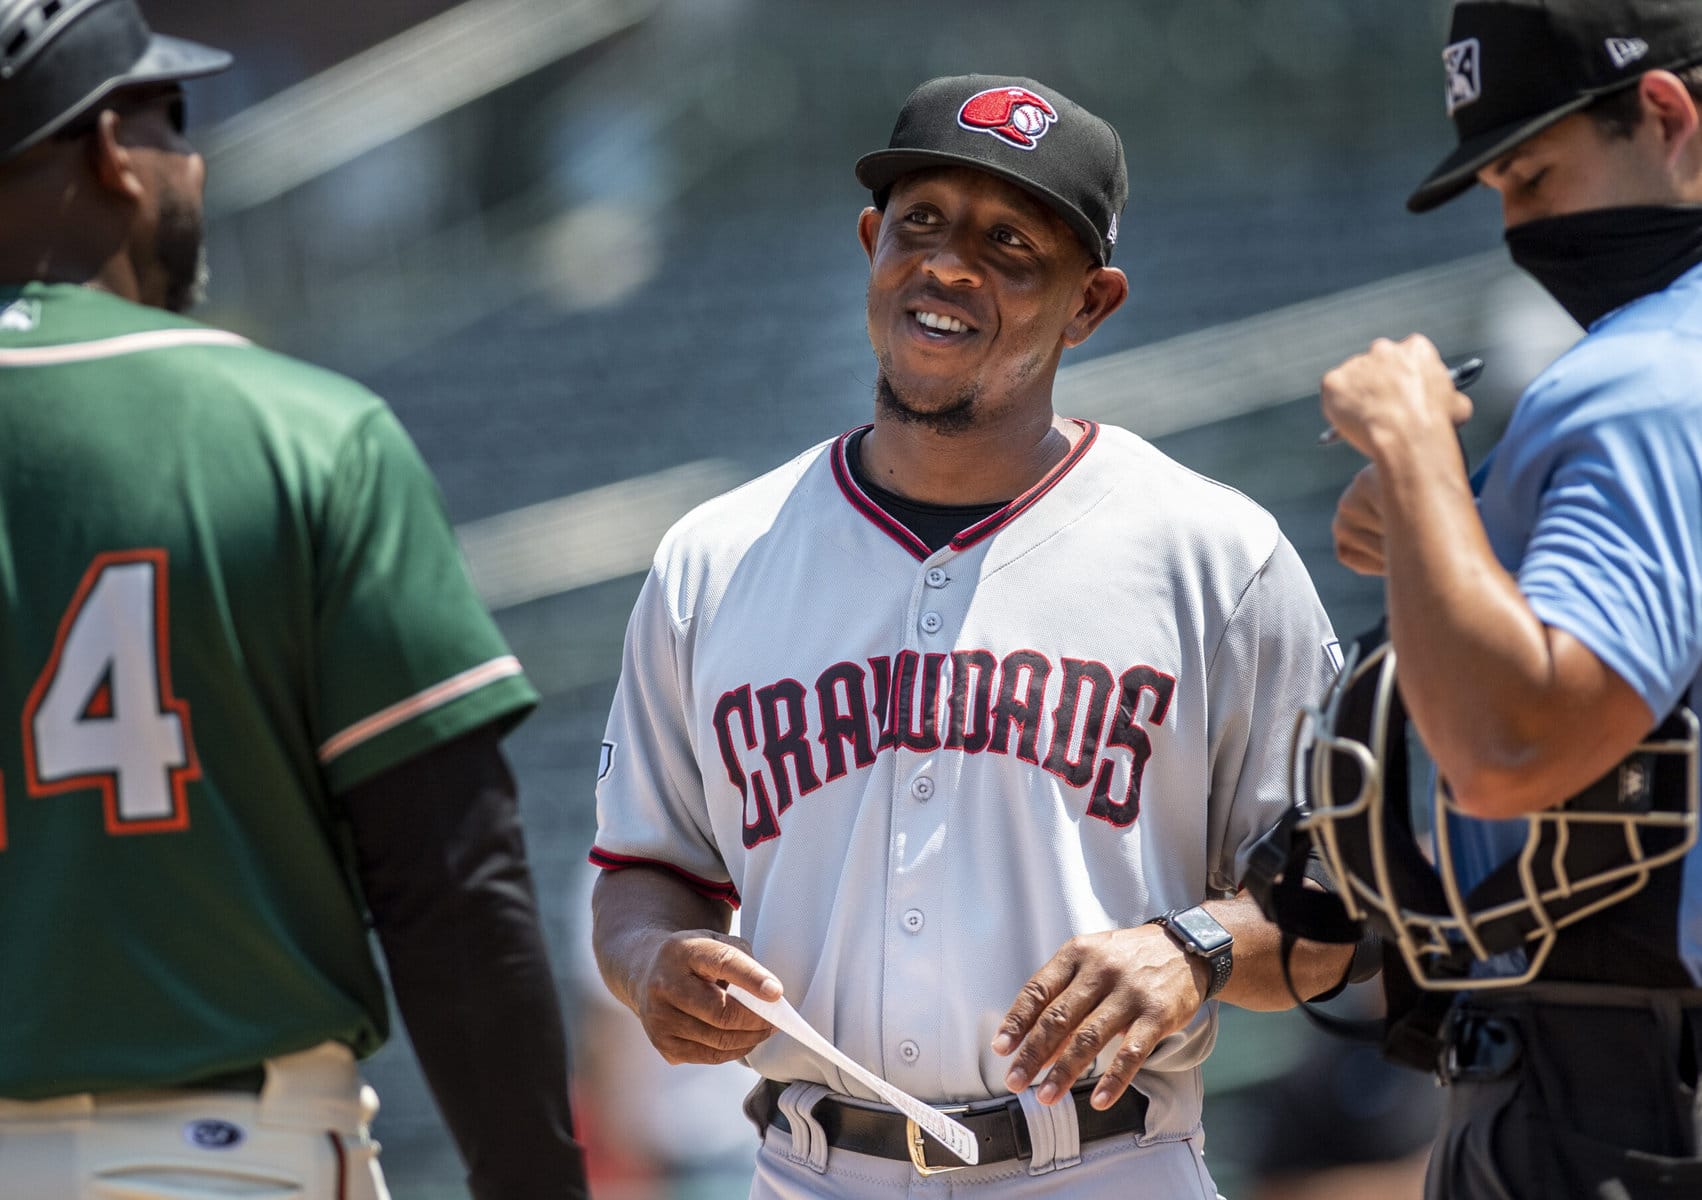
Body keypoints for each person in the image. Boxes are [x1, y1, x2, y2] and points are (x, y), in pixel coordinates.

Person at [590, 73, 1357, 1197]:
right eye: (921, 222)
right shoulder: (713, 559)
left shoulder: (1213, 557)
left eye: (1009, 244)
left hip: (1104, 1165)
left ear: (1089, 304)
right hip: (809, 1169)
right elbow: (643, 873)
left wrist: (1193, 951)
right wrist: (650, 961)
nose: (948, 267)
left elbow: (1341, 912)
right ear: (872, 246)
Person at [0, 2, 589, 1197]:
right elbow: (453, 882)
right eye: (174, 122)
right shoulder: (302, 431)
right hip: (219, 1162)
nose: (192, 159)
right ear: (110, 150)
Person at [1318, 1, 1702, 1196]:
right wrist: (1443, 522)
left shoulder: (1641, 382)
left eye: (1532, 174)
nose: (1516, 224)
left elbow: (1511, 747)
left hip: (1623, 1087)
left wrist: (1412, 447)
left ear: (1665, 116)